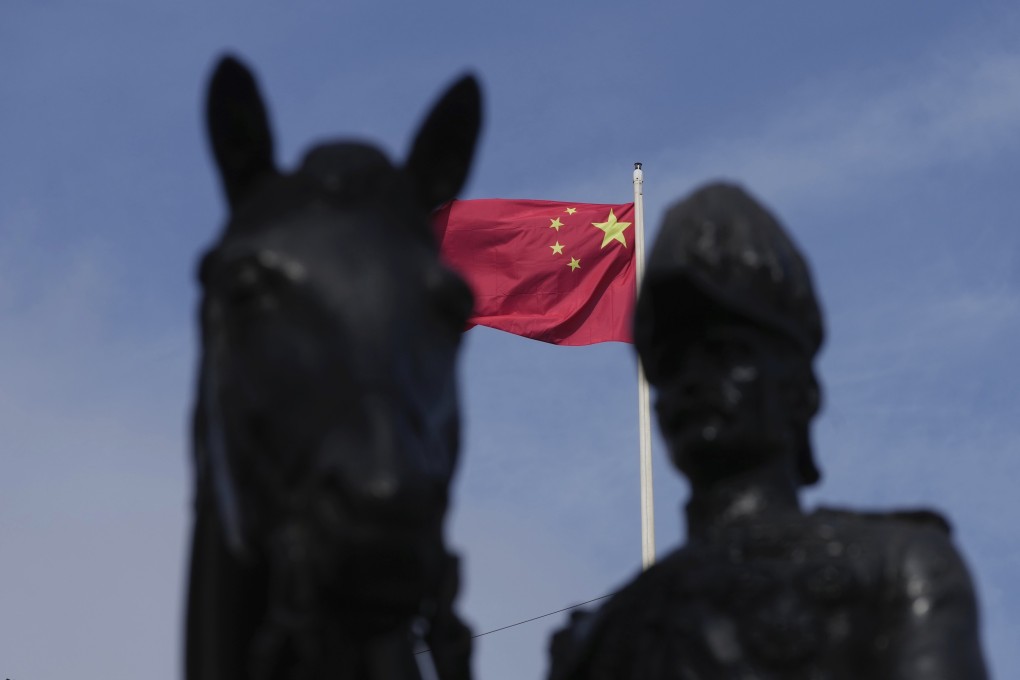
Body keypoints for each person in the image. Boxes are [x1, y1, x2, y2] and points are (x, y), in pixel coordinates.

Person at [548, 183, 988, 679]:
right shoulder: (610, 635)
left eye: (726, 353)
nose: (692, 382)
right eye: (671, 365)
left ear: (802, 391)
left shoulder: (897, 569)